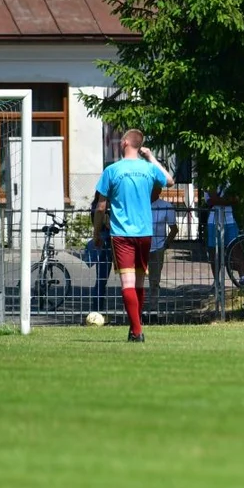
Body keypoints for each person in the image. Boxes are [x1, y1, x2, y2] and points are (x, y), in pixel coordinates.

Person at [93, 130, 174, 342]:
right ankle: (134, 327)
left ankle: (137, 331)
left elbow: (101, 206)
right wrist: (151, 157)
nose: (120, 142)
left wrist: (96, 233)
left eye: (122, 139)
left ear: (127, 142)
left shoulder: (112, 170)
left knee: (127, 283)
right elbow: (170, 180)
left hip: (122, 234)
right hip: (145, 234)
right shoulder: (148, 168)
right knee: (139, 283)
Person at [148, 185, 179, 314]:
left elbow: (174, 228)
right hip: (140, 247)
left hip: (158, 247)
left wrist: (165, 245)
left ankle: (153, 308)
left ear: (159, 191)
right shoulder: (139, 205)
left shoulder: (166, 206)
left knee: (154, 279)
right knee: (134, 278)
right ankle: (135, 307)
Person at [86, 194, 112, 313]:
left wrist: (97, 233)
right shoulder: (111, 205)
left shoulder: (95, 206)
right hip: (111, 240)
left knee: (101, 278)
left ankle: (97, 309)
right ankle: (97, 308)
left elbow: (95, 220)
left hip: (102, 241)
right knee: (129, 277)